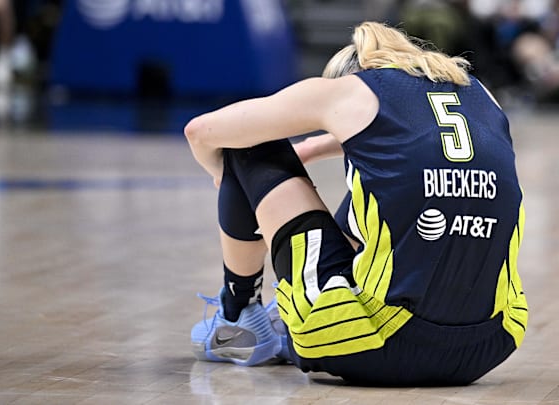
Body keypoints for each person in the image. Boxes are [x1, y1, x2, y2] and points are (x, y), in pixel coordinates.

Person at [184, 21, 528, 386]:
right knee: (388, 193)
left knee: (249, 144)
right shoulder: (479, 94)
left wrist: (224, 175)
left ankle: (237, 316)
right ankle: (308, 311)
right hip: (490, 342)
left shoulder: (349, 91)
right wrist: (319, 146)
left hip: (381, 344)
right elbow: (417, 144)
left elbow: (201, 131)